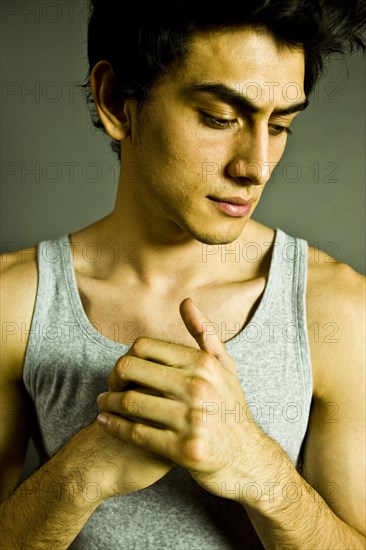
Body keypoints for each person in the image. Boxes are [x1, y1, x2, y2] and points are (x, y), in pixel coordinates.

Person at [1, 1, 365, 548]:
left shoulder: (336, 307)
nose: (256, 166)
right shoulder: (15, 301)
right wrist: (84, 473)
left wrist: (258, 469)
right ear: (116, 101)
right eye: (221, 118)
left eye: (282, 124)